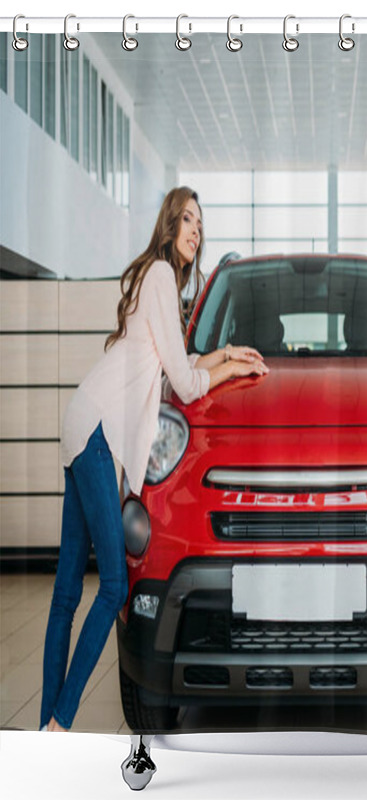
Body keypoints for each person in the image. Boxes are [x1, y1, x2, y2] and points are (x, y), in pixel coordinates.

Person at [40, 186, 269, 732]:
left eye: (199, 222)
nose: (195, 229)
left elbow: (175, 361)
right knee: (115, 586)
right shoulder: (163, 276)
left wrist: (224, 352)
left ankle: (47, 724)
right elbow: (187, 385)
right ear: (170, 225)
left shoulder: (155, 278)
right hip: (96, 432)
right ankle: (60, 723)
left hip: (81, 418)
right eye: (186, 219)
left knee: (68, 591)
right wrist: (231, 371)